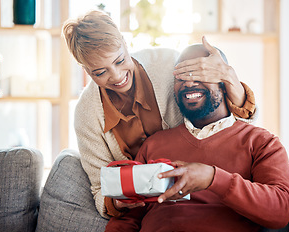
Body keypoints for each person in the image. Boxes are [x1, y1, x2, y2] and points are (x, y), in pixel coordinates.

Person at [62, 10, 257, 219]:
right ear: (85, 69)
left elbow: (230, 120)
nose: (117, 76)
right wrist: (120, 202)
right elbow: (100, 189)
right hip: (148, 212)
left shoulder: (168, 65)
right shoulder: (86, 114)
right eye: (100, 72)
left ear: (125, 44)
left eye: (119, 61)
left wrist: (229, 77)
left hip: (200, 191)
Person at [101, 44, 289, 232]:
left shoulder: (261, 142)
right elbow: (127, 219)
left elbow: (280, 210)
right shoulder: (154, 144)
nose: (189, 82)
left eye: (199, 73)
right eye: (180, 76)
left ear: (224, 82)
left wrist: (213, 178)